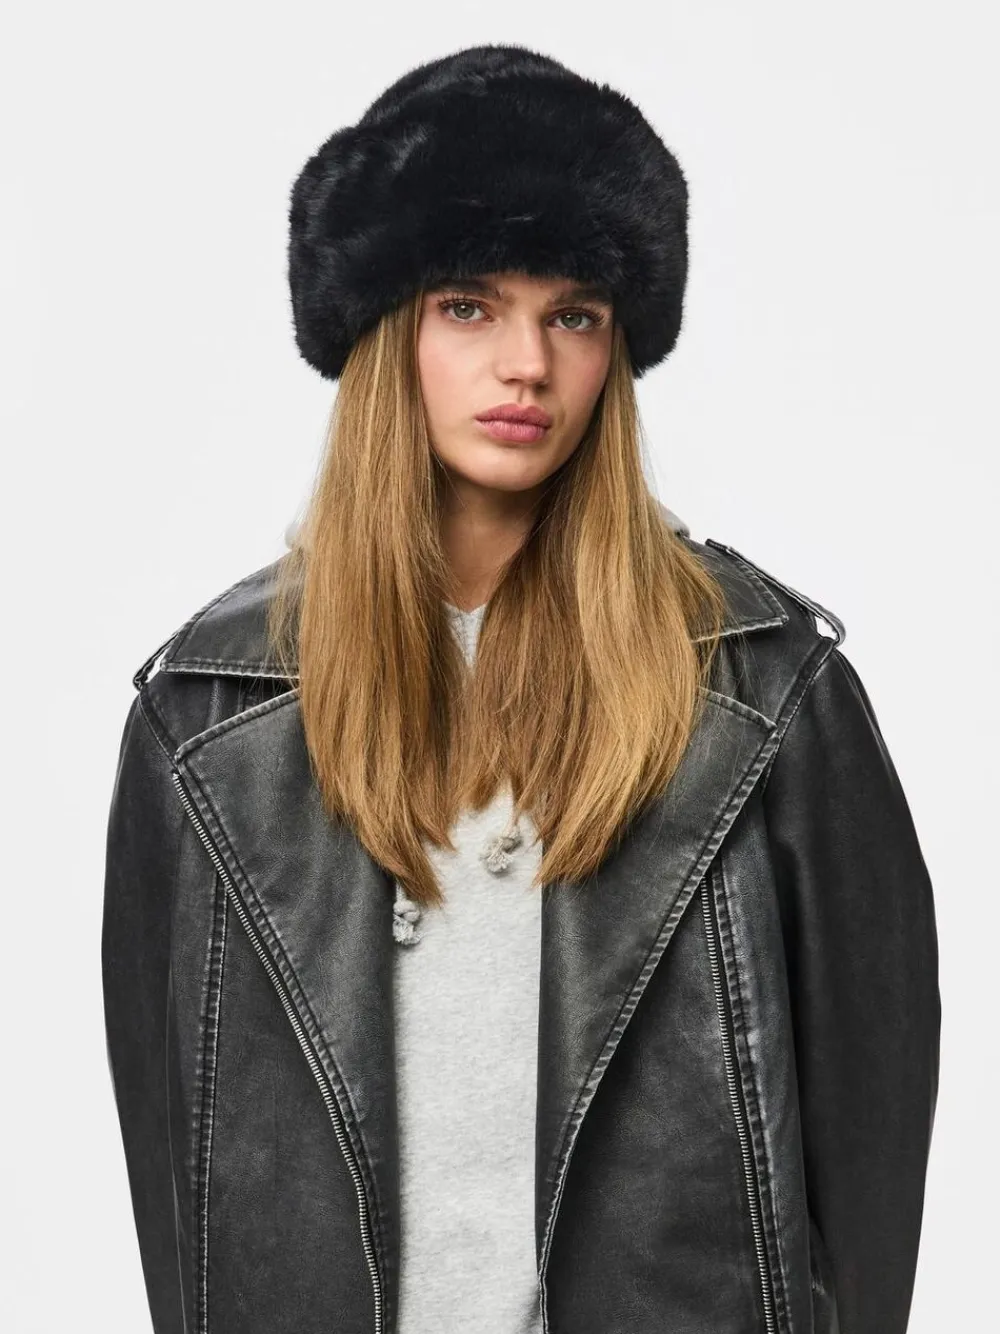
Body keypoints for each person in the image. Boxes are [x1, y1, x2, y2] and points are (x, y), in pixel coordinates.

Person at [101, 42, 940, 1334]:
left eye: (575, 314)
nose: (528, 365)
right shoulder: (210, 719)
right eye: (468, 306)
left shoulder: (768, 699)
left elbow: (870, 1166)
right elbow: (184, 1200)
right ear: (386, 332)